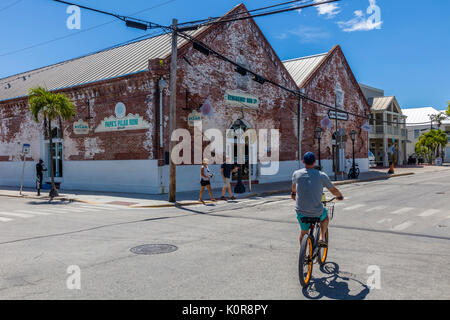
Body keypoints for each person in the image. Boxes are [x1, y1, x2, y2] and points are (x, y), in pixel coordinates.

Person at [292, 152, 344, 247]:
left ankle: (303, 256)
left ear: (303, 162)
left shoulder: (296, 174)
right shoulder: (322, 175)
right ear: (315, 162)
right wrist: (339, 196)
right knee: (325, 217)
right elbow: (333, 190)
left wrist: (293, 194)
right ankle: (322, 237)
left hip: (301, 212)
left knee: (303, 232)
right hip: (317, 212)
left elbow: (294, 188)